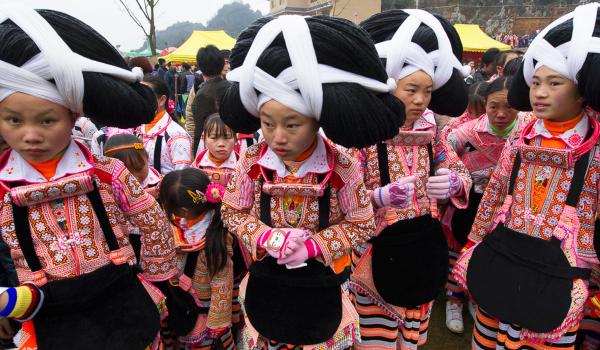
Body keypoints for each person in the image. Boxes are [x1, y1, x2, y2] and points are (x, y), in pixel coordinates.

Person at [220, 14, 406, 349]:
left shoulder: (342, 166)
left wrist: (314, 246)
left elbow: (362, 223)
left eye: (292, 125)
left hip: (322, 286)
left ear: (315, 119)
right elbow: (231, 212)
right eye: (267, 122)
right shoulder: (249, 161)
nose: (277, 137)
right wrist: (268, 237)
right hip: (266, 282)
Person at [0, 5, 177, 349]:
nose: (30, 135)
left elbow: (153, 221)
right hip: (46, 314)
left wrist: (156, 277)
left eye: (46, 120)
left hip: (122, 302)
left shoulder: (107, 173)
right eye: (13, 121)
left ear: (74, 115)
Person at [454, 3, 600, 348]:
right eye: (535, 83)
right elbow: (495, 194)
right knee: (491, 333)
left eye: (554, 83)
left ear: (581, 89)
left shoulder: (595, 146)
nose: (540, 92)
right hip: (505, 254)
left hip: (559, 271)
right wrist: (476, 245)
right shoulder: (522, 136)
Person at [350, 9, 472, 350]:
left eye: (428, 91)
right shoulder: (361, 134)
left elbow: (459, 170)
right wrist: (378, 197)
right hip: (375, 254)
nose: (420, 100)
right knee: (377, 340)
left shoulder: (432, 130)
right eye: (412, 90)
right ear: (389, 86)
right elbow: (340, 198)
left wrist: (453, 183)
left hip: (422, 248)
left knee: (414, 337)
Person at [442, 76, 531, 333]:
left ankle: (476, 299)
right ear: (485, 104)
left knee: (492, 258)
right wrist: (459, 174)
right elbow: (442, 151)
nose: (501, 114)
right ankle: (453, 301)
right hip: (471, 204)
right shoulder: (469, 132)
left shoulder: (528, 131)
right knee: (460, 251)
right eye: (494, 106)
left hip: (507, 210)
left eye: (508, 107)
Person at [160, 168, 236, 349]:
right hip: (184, 303)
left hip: (205, 311)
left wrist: (217, 321)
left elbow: (222, 282)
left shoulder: (216, 237)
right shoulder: (179, 225)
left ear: (184, 210)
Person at [103, 134, 162, 262]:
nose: (134, 177)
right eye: (126, 173)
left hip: (156, 244)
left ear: (147, 158)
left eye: (139, 168)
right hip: (127, 244)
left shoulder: (161, 185)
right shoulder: (106, 190)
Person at [135, 76, 193, 175]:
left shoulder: (176, 134)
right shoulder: (138, 128)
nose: (139, 101)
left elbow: (182, 177)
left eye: (145, 97)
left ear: (162, 100)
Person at [191, 46, 231, 154]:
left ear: (200, 67)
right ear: (222, 64)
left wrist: (196, 153)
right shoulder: (231, 87)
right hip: (232, 142)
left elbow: (200, 128)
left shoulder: (202, 94)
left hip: (215, 147)